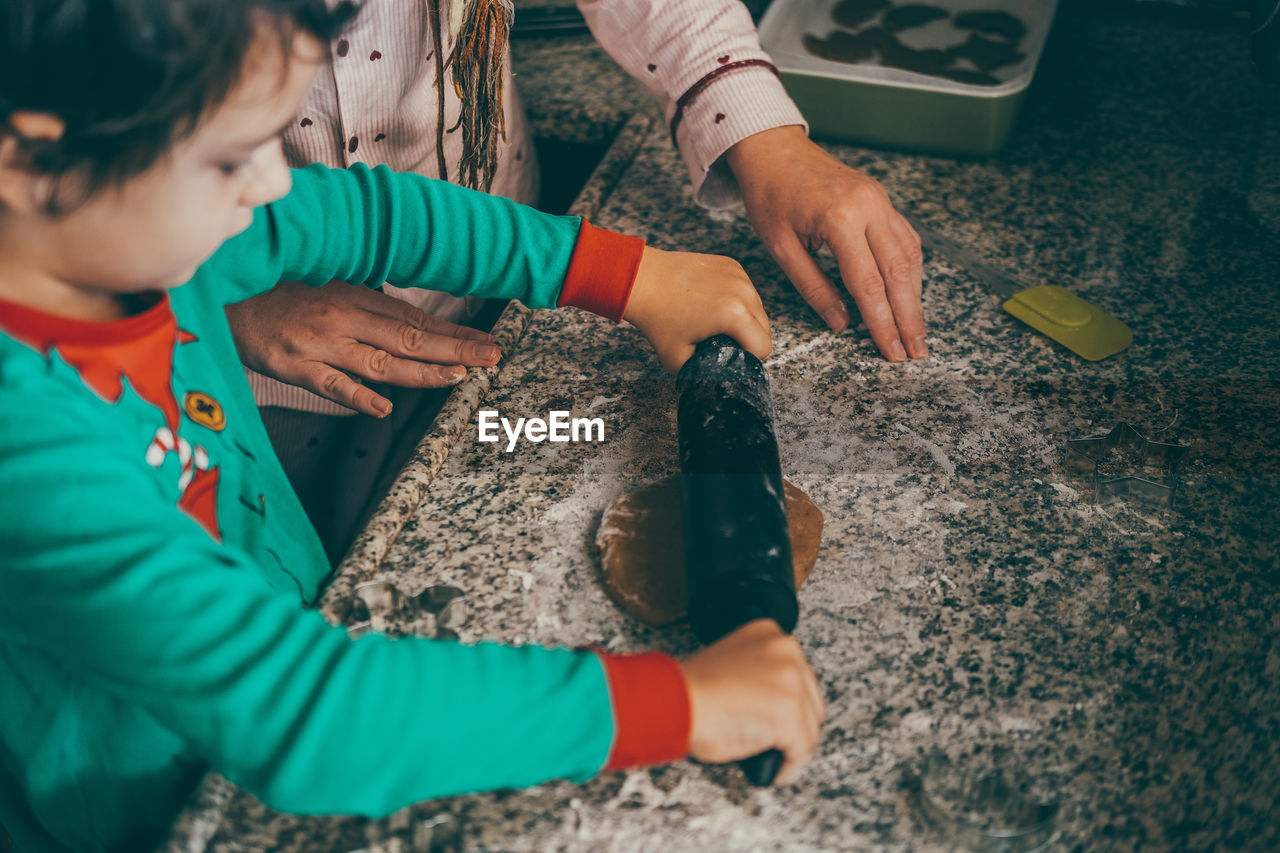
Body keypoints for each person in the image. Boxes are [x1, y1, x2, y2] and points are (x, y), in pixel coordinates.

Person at [0, 2, 826, 850]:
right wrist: (680, 702)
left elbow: (368, 213)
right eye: (225, 158)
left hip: (265, 684)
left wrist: (624, 275)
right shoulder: (31, 450)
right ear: (32, 160)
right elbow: (301, 711)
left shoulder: (140, 248)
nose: (273, 181)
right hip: (153, 812)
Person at [226, 0, 929, 561]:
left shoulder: (352, 211)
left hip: (496, 283)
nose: (265, 186)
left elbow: (376, 216)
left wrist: (764, 138)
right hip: (247, 372)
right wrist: (224, 289)